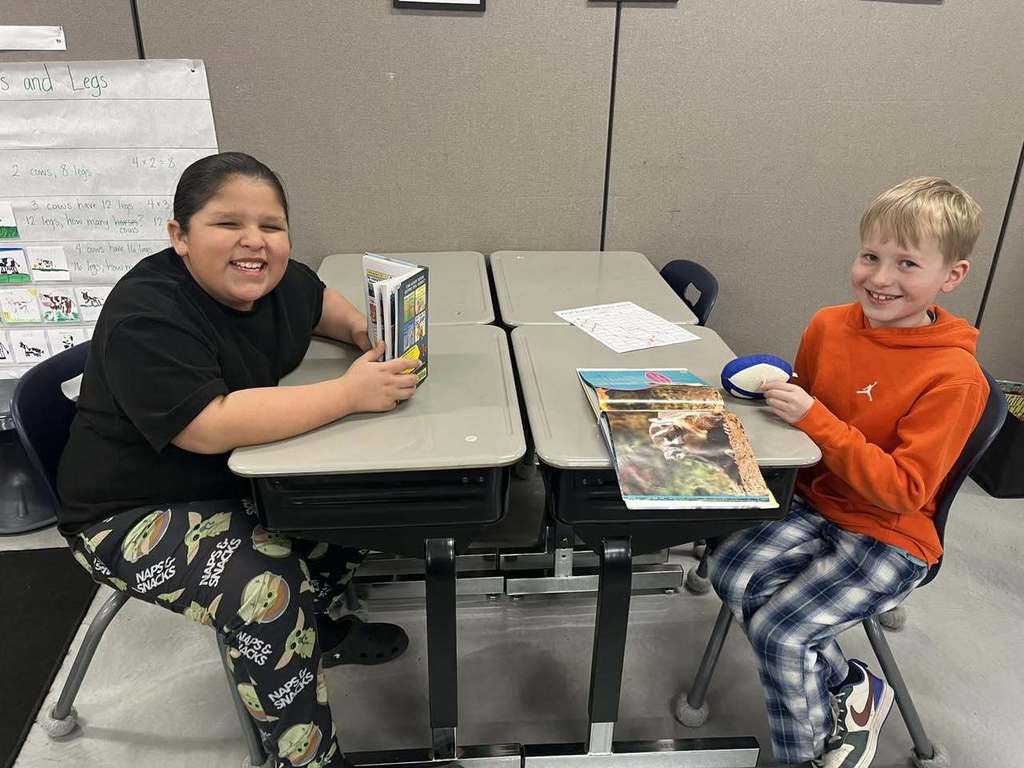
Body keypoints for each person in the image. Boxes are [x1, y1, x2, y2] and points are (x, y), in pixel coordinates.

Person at [57, 152, 419, 768]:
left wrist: (364, 333)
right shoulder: (147, 313)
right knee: (266, 585)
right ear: (180, 235)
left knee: (361, 507)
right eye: (227, 224)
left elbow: (319, 298)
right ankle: (305, 757)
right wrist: (346, 394)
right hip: (129, 512)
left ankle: (316, 632)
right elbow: (208, 427)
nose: (254, 241)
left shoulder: (275, 279)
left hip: (234, 480)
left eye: (271, 226)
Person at [699, 177, 989, 768]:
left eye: (907, 263)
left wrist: (818, 420)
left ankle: (800, 756)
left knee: (781, 633)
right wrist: (772, 393)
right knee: (728, 571)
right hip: (816, 501)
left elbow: (904, 490)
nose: (881, 279)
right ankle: (849, 686)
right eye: (870, 257)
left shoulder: (954, 377)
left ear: (950, 277)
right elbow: (806, 408)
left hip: (890, 531)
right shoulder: (828, 325)